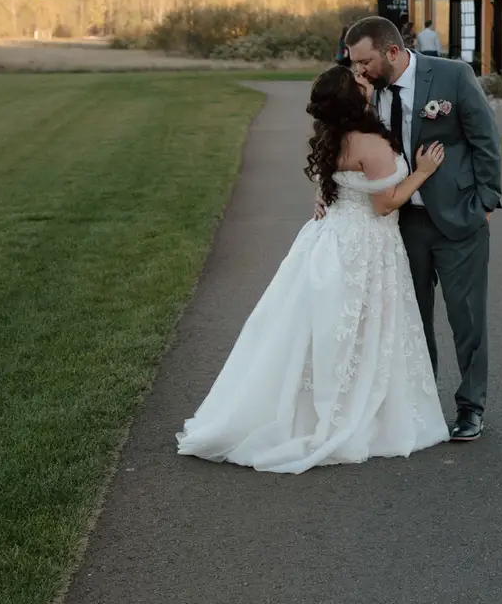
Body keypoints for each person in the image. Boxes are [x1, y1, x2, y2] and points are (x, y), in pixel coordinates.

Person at [176, 67, 451, 472]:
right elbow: (384, 203)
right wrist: (422, 173)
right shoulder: (370, 143)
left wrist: (325, 199)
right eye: (359, 82)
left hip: (328, 239)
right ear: (354, 100)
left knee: (319, 328)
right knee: (359, 328)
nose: (366, 80)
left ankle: (310, 407)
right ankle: (349, 412)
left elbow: (331, 185)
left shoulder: (331, 137)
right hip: (364, 246)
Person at [342, 15, 501, 442]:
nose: (358, 70)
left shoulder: (453, 76)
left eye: (364, 61)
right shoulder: (363, 93)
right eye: (353, 63)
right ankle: (423, 401)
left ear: (392, 52)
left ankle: (471, 408)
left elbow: (485, 139)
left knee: (466, 317)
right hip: (400, 223)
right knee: (411, 318)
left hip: (459, 220)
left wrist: (485, 202)